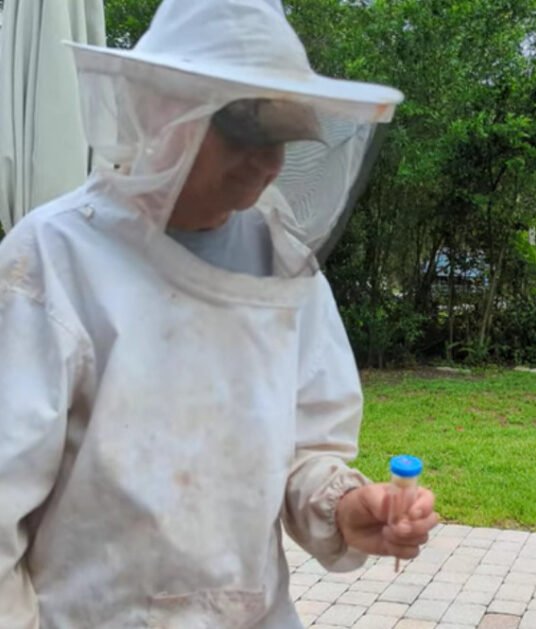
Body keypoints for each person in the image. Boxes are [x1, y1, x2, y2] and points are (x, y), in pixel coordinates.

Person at [0, 1, 437, 627]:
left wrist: (344, 506)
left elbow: (306, 445)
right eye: (245, 131)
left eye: (283, 138)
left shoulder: (282, 260)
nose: (269, 164)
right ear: (160, 107)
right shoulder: (50, 258)